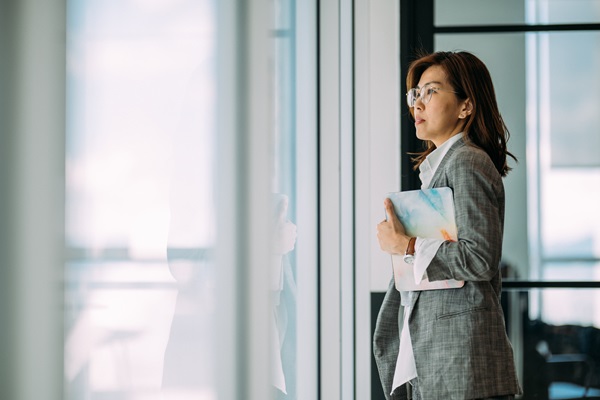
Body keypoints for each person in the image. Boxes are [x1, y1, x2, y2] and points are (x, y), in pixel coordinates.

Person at [374, 51, 522, 400]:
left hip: (462, 364)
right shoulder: (442, 169)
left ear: (465, 106)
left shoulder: (467, 161)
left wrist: (407, 245)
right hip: (439, 358)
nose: (418, 104)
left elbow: (480, 258)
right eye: (416, 94)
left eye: (431, 91)